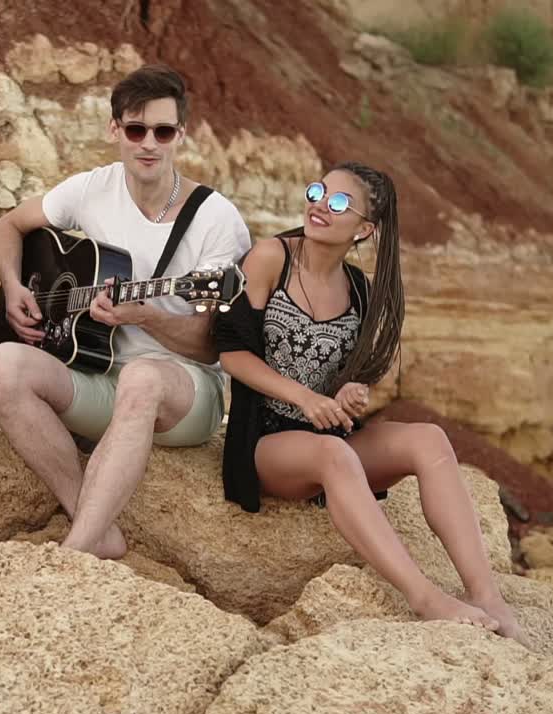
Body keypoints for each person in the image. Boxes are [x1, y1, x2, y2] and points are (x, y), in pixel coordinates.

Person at [215, 162, 524, 640]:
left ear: (363, 230)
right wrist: (303, 397)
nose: (320, 204)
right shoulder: (270, 258)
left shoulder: (359, 289)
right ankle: (425, 598)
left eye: (339, 202)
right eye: (318, 191)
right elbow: (232, 353)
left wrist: (348, 391)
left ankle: (485, 593)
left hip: (332, 435)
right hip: (267, 443)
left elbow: (353, 374)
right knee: (333, 454)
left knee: (429, 439)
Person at [0, 65, 251, 559]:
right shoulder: (91, 189)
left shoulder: (215, 220)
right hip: (95, 373)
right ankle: (97, 525)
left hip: (181, 394)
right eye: (136, 129)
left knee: (143, 377)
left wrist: (146, 316)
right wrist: (17, 286)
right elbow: (7, 228)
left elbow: (211, 344)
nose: (149, 143)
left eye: (163, 131)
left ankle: (75, 551)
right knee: (0, 367)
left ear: (180, 136)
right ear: (114, 131)